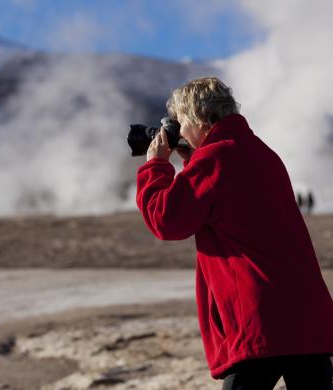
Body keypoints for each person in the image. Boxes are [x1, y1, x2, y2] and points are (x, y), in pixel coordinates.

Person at [135, 77, 333, 389]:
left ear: (201, 118)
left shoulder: (213, 161)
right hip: (308, 315)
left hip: (261, 319)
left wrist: (156, 167)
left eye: (180, 121)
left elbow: (166, 220)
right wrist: (192, 161)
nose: (177, 130)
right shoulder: (261, 152)